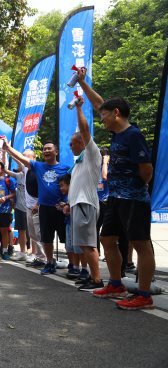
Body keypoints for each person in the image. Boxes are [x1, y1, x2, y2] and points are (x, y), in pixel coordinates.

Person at [78, 67, 156, 310]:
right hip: (116, 198)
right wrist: (83, 83)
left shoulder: (133, 135)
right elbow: (100, 103)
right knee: (107, 238)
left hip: (133, 198)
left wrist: (134, 187)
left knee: (140, 243)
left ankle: (144, 294)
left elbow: (146, 170)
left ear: (117, 113)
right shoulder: (117, 133)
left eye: (104, 116)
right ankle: (115, 284)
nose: (101, 119)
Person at [2, 139, 69, 274]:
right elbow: (20, 158)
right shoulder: (38, 167)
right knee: (46, 238)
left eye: (49, 148)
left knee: (66, 239)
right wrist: (8, 148)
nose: (46, 151)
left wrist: (67, 203)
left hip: (60, 208)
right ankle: (49, 262)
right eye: (44, 149)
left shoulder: (65, 168)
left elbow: (70, 187)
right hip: (44, 208)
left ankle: (74, 265)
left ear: (56, 152)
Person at [66, 98, 104, 291]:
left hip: (85, 204)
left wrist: (79, 108)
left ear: (81, 142)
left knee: (89, 244)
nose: (70, 146)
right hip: (77, 204)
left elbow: (85, 129)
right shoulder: (79, 161)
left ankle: (97, 279)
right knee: (83, 244)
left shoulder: (91, 153)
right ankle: (91, 275)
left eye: (72, 143)